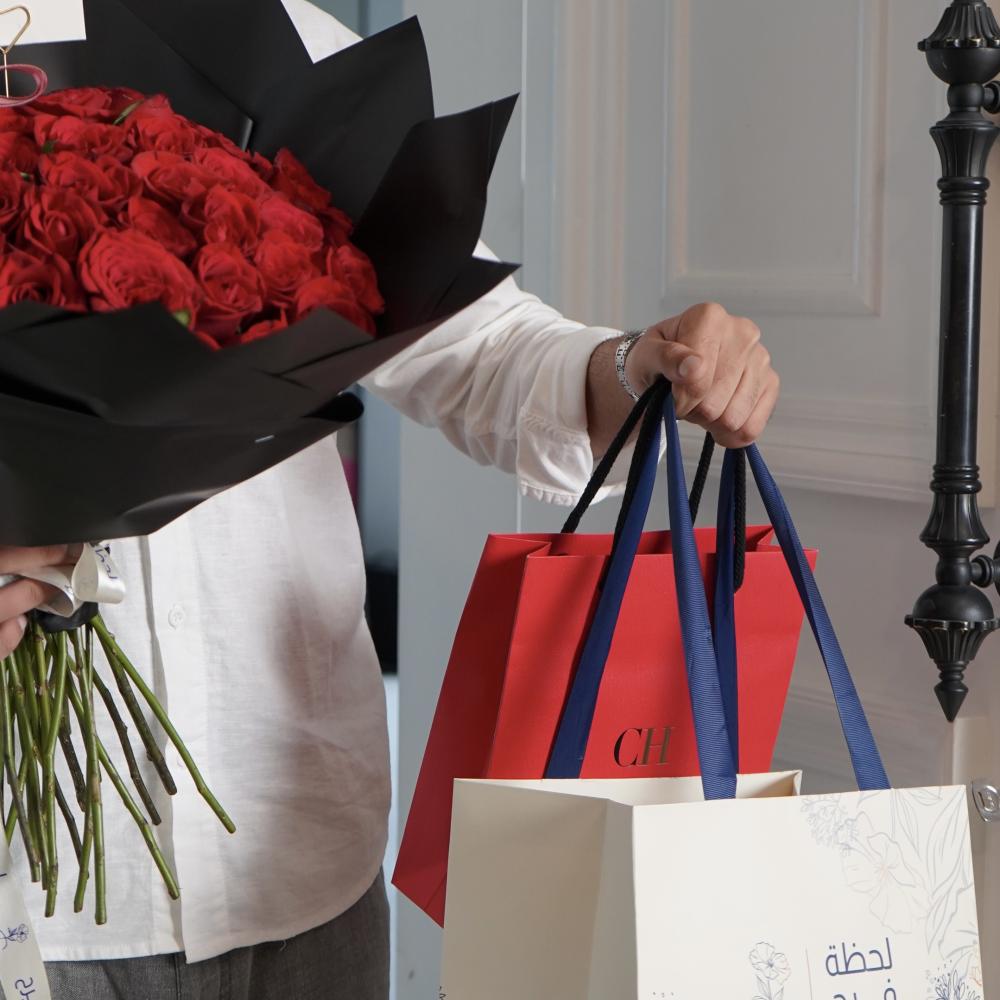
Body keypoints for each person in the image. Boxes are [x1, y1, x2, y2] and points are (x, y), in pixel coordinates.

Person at [0, 6, 778, 1000]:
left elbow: (473, 346)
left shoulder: (261, 32)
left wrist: (641, 366)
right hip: (29, 912)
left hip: (299, 851)